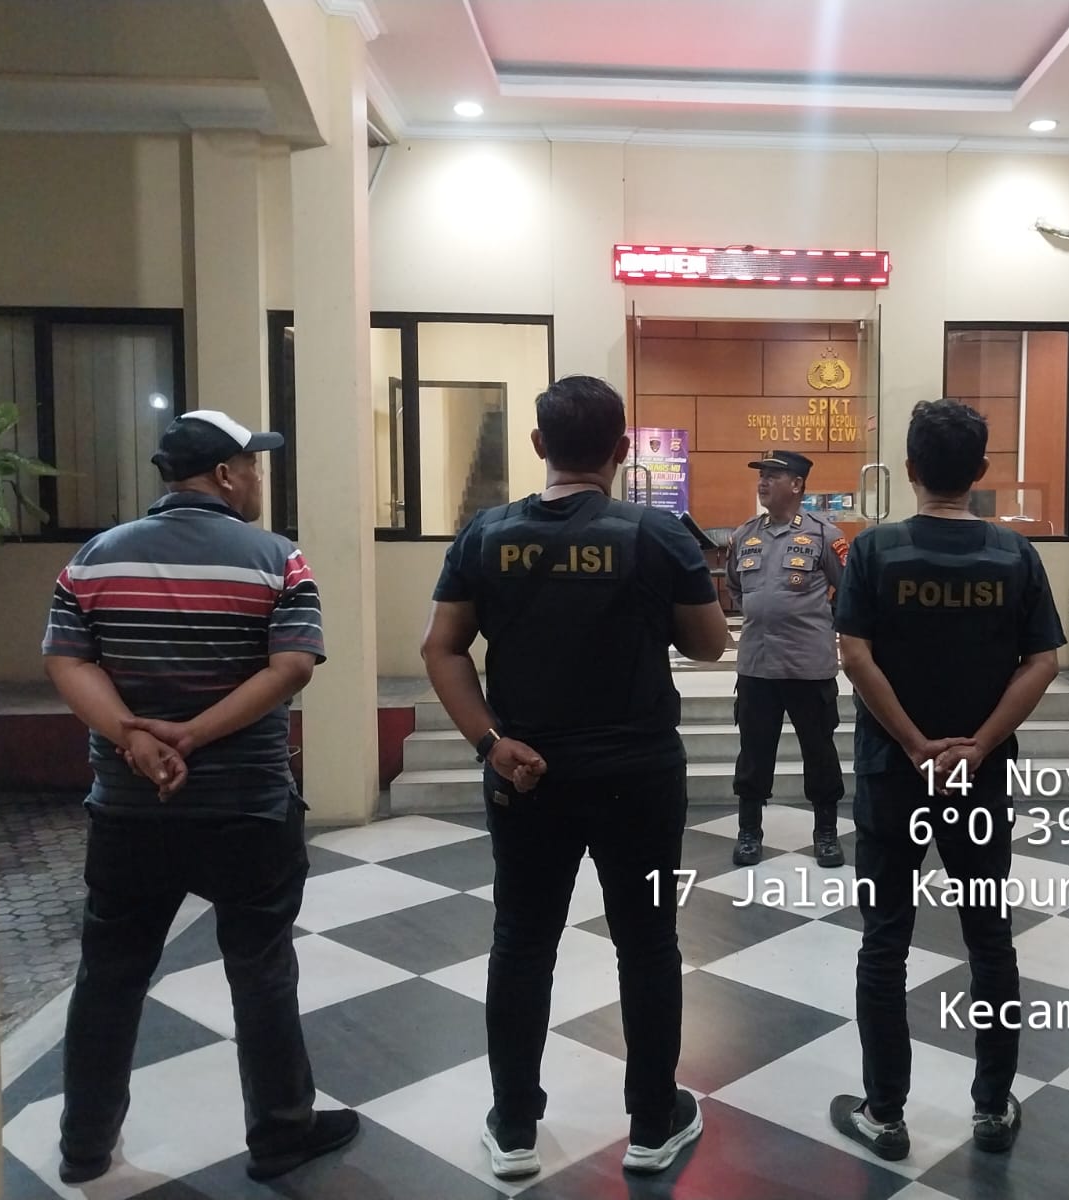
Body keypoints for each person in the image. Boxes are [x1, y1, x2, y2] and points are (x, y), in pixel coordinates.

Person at [420, 375, 728, 1180]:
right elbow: (708, 644)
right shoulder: (656, 535)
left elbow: (442, 648)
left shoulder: (486, 534)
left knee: (522, 943)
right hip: (639, 778)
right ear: (622, 450)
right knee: (649, 944)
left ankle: (515, 1127)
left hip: (527, 776)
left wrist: (490, 743)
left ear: (537, 445)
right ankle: (653, 1124)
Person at [41, 410, 358, 1185]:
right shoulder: (277, 560)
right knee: (261, 971)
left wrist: (134, 737)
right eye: (253, 464)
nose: (258, 477)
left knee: (110, 974)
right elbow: (292, 667)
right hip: (246, 808)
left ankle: (84, 1144)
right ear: (224, 475)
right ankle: (281, 1134)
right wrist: (192, 735)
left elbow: (67, 661)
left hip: (128, 810)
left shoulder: (94, 559)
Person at [829, 399, 1065, 1160]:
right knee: (989, 938)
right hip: (979, 781)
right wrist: (980, 746)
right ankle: (991, 1109)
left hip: (894, 775)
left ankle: (885, 1114)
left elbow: (854, 655)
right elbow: (1042, 661)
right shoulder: (1013, 554)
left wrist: (913, 744)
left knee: (885, 940)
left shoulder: (876, 550)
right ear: (981, 472)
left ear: (909, 468)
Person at [726, 450, 849, 867]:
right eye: (761, 475)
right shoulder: (745, 535)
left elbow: (848, 589)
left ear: (797, 484)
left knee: (819, 751)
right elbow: (736, 589)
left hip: (808, 667)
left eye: (773, 475)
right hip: (757, 666)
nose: (762, 482)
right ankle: (749, 831)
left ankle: (826, 831)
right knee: (753, 753)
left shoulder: (824, 535)